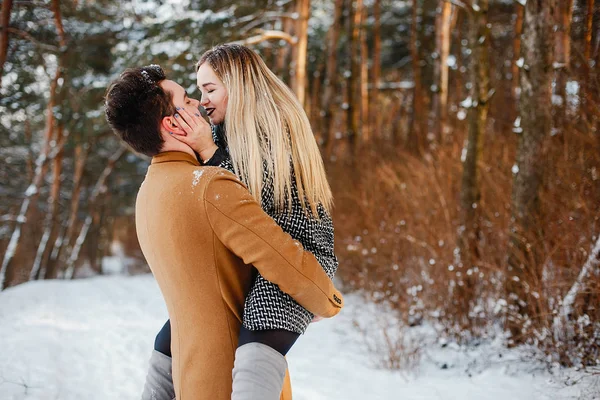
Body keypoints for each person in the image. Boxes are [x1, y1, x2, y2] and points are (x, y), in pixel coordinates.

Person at [104, 65, 343, 400]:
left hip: (189, 373)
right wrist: (328, 300)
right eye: (188, 100)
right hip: (232, 379)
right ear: (173, 123)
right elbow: (280, 257)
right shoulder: (209, 186)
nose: (199, 105)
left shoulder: (149, 193)